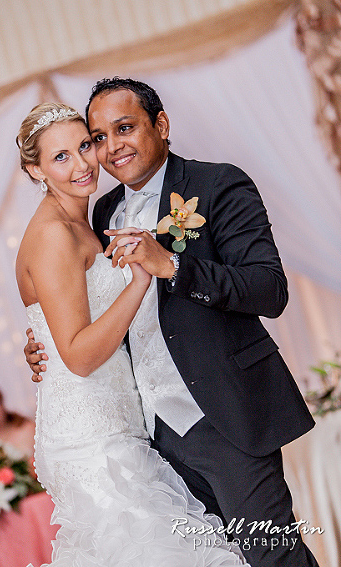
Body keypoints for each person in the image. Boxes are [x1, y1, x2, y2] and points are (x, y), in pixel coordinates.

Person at [24, 79, 318, 567]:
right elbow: (84, 308)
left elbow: (270, 290)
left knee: (272, 557)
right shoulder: (101, 213)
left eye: (124, 128)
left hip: (226, 418)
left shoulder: (218, 184)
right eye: (98, 136)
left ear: (160, 125)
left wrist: (174, 266)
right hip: (150, 438)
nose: (109, 147)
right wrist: (43, 344)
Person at [15, 101, 247, 566]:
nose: (82, 164)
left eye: (85, 145)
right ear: (34, 168)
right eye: (61, 156)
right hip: (91, 435)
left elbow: (74, 320)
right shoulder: (53, 234)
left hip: (124, 419)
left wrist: (39, 342)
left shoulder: (92, 218)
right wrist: (142, 280)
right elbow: (79, 355)